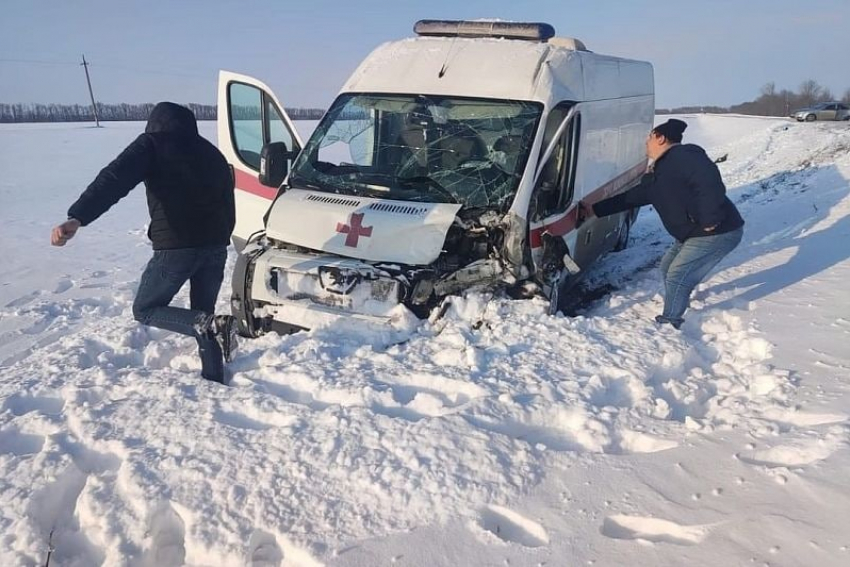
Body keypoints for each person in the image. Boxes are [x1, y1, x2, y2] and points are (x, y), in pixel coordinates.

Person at [50, 102, 238, 382]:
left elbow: (113, 180)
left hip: (176, 246)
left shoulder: (152, 144)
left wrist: (78, 217)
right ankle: (214, 378)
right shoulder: (211, 152)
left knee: (145, 309)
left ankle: (210, 336)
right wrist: (221, 237)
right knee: (204, 317)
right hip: (215, 246)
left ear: (154, 124)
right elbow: (228, 201)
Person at [580, 119, 744, 329]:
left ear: (660, 138)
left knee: (677, 273)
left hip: (717, 231)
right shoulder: (660, 170)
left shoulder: (684, 156)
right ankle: (677, 300)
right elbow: (633, 197)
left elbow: (709, 180)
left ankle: (670, 322)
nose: (646, 142)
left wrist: (711, 217)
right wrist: (595, 209)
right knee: (668, 267)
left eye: (649, 137)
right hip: (693, 233)